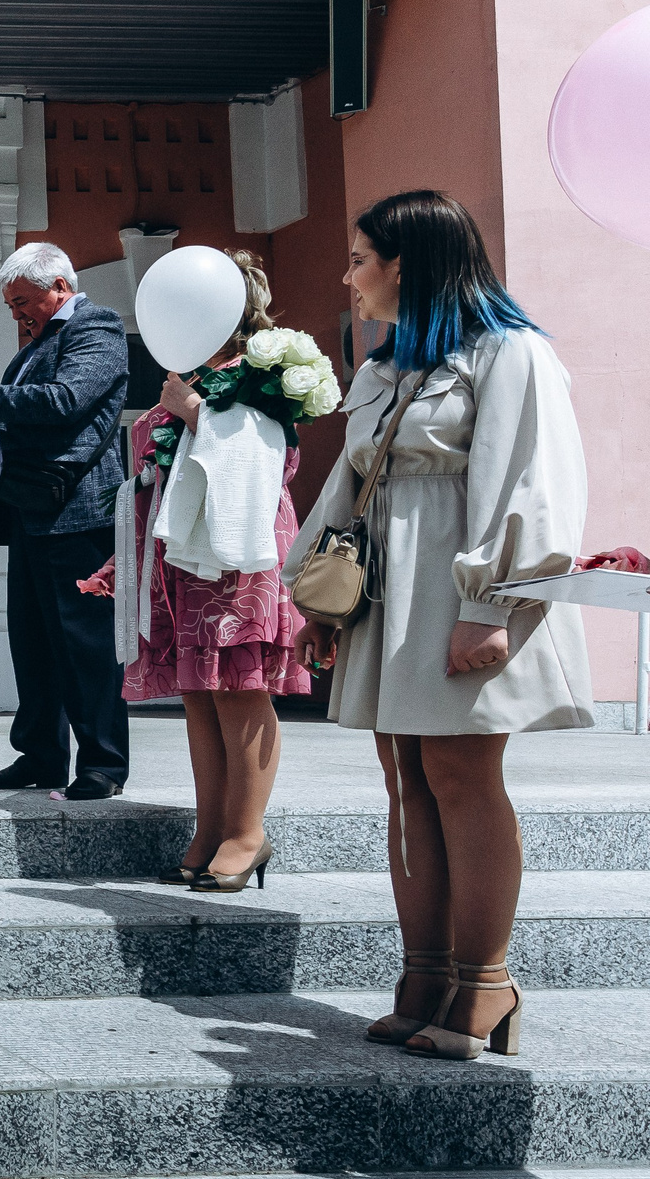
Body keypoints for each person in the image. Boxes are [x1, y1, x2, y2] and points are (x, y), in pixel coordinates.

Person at [292, 189, 593, 1061]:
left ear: (406, 264)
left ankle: (486, 980)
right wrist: (324, 606)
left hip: (460, 589)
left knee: (461, 774)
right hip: (389, 592)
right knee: (405, 778)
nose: (347, 277)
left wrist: (488, 607)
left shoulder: (510, 352)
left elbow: (531, 483)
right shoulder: (386, 365)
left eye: (359, 260)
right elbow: (350, 486)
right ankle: (425, 976)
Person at [80, 251, 310, 891]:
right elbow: (156, 480)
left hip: (238, 556)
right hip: (180, 556)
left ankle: (247, 833)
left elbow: (269, 461)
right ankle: (211, 830)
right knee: (201, 697)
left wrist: (195, 415)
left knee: (239, 689)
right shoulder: (190, 376)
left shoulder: (260, 378)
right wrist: (125, 560)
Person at [0, 242, 132, 800]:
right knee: (34, 643)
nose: (16, 314)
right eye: (11, 305)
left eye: (22, 301)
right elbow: (14, 430)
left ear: (59, 287)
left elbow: (64, 402)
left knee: (85, 645)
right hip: (33, 512)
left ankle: (102, 765)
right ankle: (42, 756)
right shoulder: (37, 345)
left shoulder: (96, 327)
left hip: (77, 514)